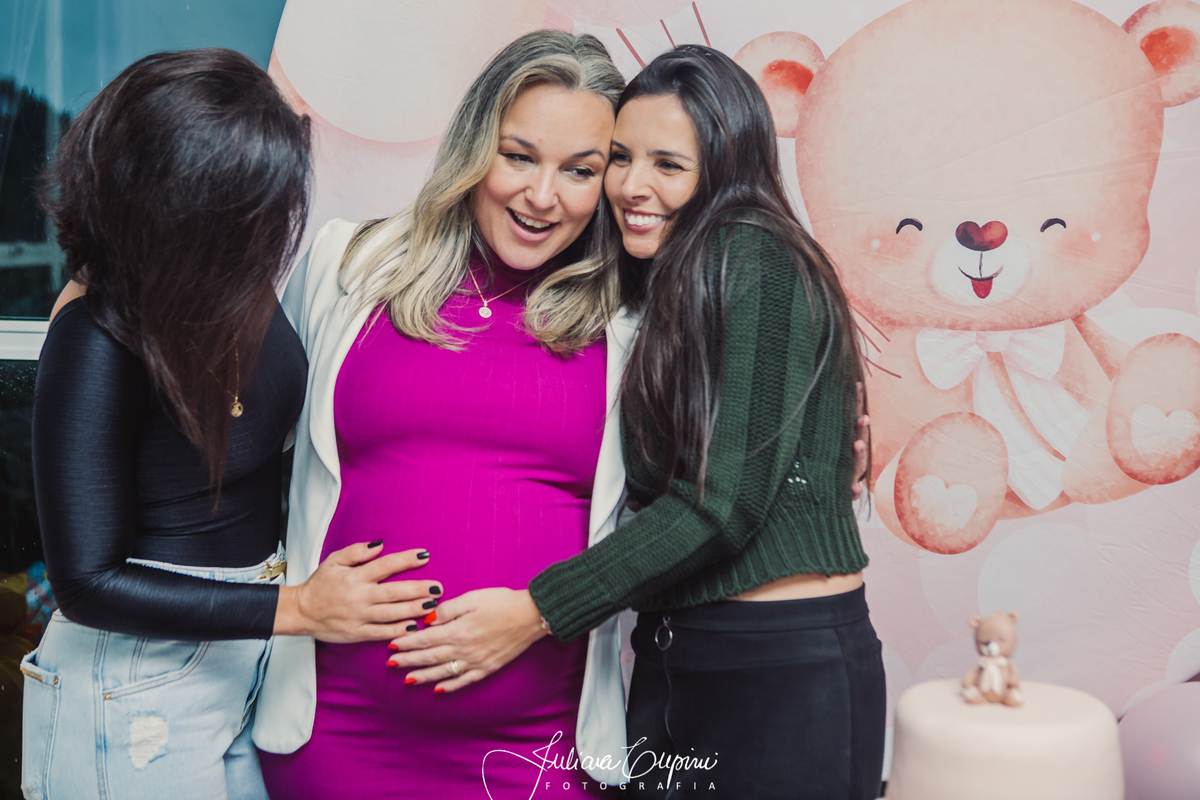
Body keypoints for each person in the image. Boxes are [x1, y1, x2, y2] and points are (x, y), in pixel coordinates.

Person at [389, 45, 886, 799]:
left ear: (722, 172)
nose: (631, 186)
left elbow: (720, 506)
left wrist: (535, 611)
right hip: (678, 655)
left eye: (669, 165)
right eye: (620, 158)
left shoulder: (752, 251)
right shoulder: (666, 279)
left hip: (777, 669)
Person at [22, 49, 436, 800]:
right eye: (246, 208)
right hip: (133, 683)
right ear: (182, 209)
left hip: (240, 657)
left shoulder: (229, 280)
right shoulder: (96, 334)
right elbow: (85, 583)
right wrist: (301, 607)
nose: (270, 225)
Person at [253, 31, 634, 798]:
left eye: (579, 170)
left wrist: (539, 612)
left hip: (539, 750)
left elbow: (687, 519)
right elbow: (249, 453)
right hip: (338, 734)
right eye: (518, 156)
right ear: (473, 148)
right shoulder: (346, 266)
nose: (542, 196)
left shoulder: (633, 322)